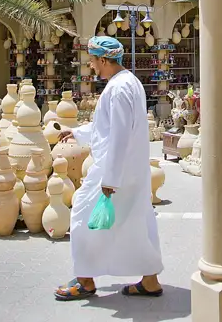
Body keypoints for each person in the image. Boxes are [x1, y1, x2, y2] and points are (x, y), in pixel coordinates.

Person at [54, 35, 163, 301]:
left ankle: (85, 280)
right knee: (136, 222)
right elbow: (109, 128)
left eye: (93, 61)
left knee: (80, 213)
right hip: (132, 170)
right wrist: (78, 133)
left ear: (104, 59)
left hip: (115, 171)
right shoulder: (129, 83)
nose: (91, 66)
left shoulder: (118, 88)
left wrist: (110, 179)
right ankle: (149, 280)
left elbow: (119, 135)